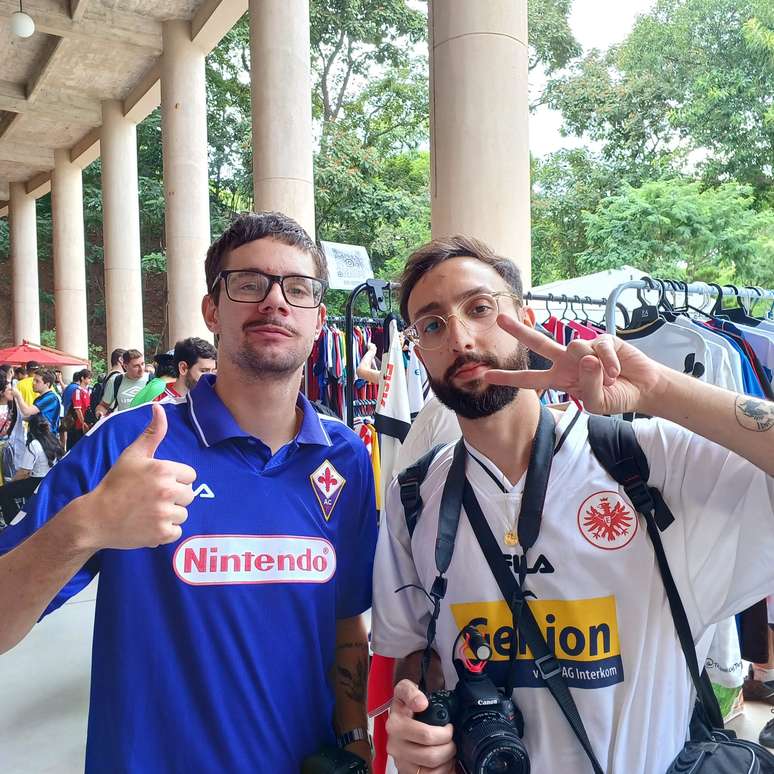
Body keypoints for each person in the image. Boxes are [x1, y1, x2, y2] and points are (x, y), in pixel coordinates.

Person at [371, 235, 774, 773]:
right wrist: (423, 728)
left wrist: (656, 388)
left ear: (525, 315)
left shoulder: (649, 461)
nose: (461, 337)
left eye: (480, 308)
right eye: (433, 324)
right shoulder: (414, 496)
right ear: (418, 350)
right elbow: (417, 657)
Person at [0, 211, 377, 772]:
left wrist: (355, 742)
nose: (275, 302)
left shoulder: (345, 456)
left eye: (297, 289)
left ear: (318, 320)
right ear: (211, 310)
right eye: (249, 284)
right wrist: (87, 525)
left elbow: (347, 620)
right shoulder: (131, 445)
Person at [0, 414, 63, 526]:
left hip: (36, 482)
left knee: (4, 492)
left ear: (31, 428)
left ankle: (14, 522)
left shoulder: (34, 444)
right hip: (52, 479)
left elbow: (24, 472)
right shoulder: (54, 440)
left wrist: (12, 481)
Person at [153, 337, 217, 401]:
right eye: (204, 371)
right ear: (183, 368)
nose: (210, 376)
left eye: (213, 371)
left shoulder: (211, 399)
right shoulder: (161, 405)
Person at [97, 348, 148, 414]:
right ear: (126, 366)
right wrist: (100, 413)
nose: (141, 369)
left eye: (142, 364)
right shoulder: (116, 381)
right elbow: (103, 406)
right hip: (125, 423)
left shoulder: (152, 379)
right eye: (136, 366)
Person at [12, 368, 62, 433]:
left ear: (47, 384)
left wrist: (18, 396)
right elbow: (32, 417)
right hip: (37, 437)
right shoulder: (40, 398)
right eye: (33, 380)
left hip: (45, 439)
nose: (33, 383)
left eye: (37, 381)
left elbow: (27, 411)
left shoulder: (50, 398)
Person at [67, 369, 93, 450]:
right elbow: (78, 409)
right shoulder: (78, 391)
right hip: (78, 425)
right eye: (88, 378)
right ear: (82, 378)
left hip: (86, 423)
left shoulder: (87, 391)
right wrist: (83, 423)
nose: (90, 380)